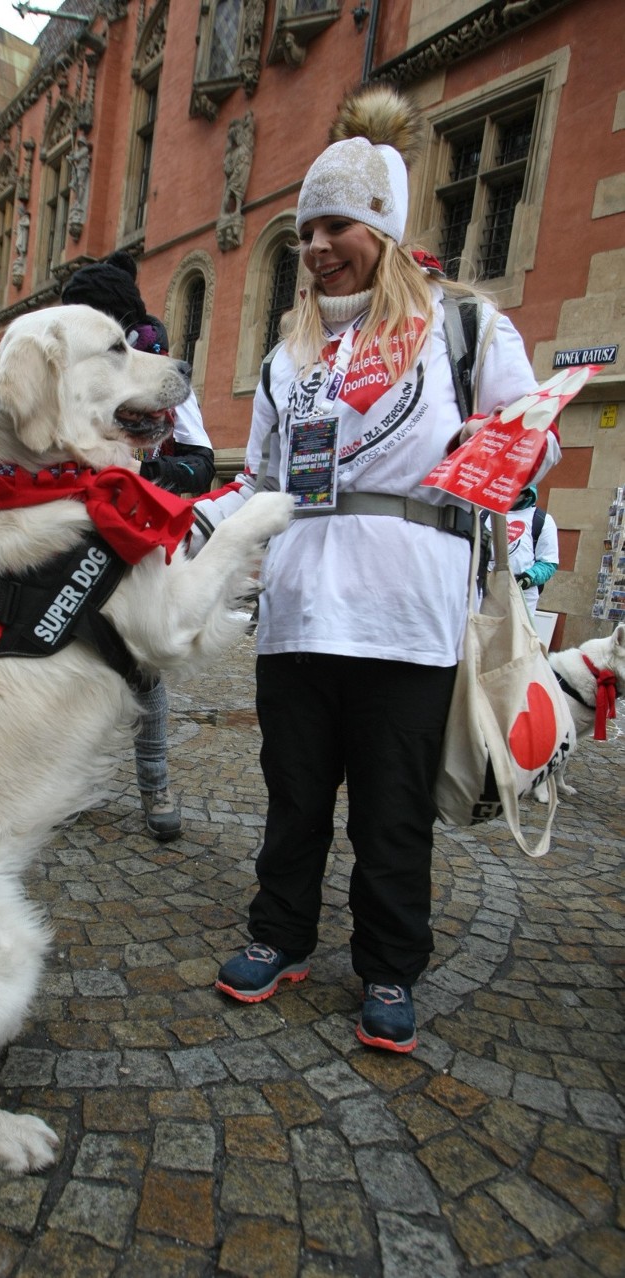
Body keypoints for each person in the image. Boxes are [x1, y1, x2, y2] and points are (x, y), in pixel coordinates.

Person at [211, 85, 561, 1052]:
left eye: (338, 225)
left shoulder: (465, 326)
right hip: (298, 614)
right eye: (306, 229)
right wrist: (196, 534)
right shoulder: (292, 350)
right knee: (292, 800)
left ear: (385, 228)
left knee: (392, 814)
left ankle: (389, 967)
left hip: (407, 614)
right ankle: (278, 936)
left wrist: (520, 452)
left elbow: (534, 439)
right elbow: (266, 479)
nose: (318, 245)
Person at [61, 251, 216, 838]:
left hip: (134, 536)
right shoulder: (63, 366)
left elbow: (200, 463)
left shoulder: (153, 370)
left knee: (144, 667)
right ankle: (67, 782)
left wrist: (144, 480)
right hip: (70, 534)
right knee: (67, 660)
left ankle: (155, 788)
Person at [501, 484, 559, 616]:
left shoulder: (542, 520)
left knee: (516, 636)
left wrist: (528, 578)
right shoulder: (486, 514)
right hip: (485, 591)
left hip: (521, 594)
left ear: (526, 493)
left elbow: (549, 563)